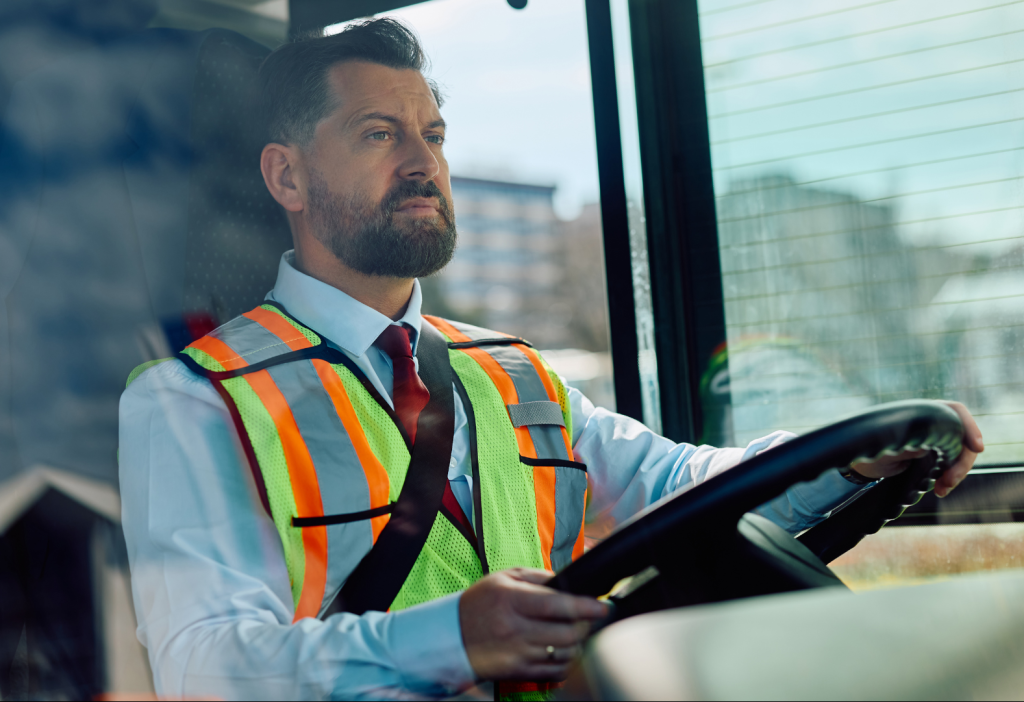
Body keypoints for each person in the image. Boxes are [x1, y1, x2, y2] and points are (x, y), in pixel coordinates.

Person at [118, 17, 984, 701]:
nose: (426, 163)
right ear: (288, 179)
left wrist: (851, 460)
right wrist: (452, 638)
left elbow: (687, 488)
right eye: (380, 135)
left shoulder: (509, 370)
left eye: (434, 133)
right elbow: (206, 668)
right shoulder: (193, 400)